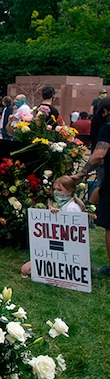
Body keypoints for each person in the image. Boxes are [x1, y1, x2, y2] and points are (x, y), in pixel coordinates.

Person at [20, 176, 85, 276]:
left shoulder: (71, 208)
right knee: (25, 269)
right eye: (54, 189)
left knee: (28, 270)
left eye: (59, 190)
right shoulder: (62, 205)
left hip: (67, 253)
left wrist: (59, 217)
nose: (56, 192)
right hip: (56, 251)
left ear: (69, 191)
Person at [77, 96, 110, 275]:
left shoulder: (107, 127)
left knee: (109, 225)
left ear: (104, 112)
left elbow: (98, 155)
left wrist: (82, 173)